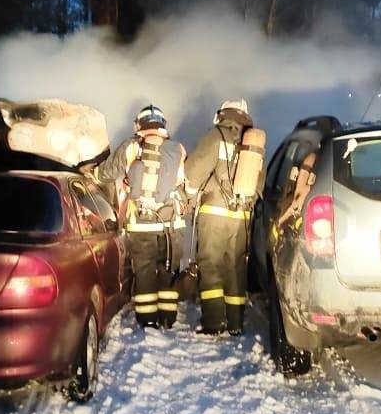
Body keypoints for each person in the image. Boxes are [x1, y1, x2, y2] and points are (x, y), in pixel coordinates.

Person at [95, 104, 188, 329]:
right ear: (163, 125)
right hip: (172, 225)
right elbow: (186, 182)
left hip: (141, 224)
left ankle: (148, 320)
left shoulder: (131, 147)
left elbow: (106, 173)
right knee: (168, 270)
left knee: (144, 271)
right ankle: (168, 317)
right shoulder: (178, 149)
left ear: (140, 124)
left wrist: (92, 173)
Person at [184, 99, 260, 336]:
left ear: (222, 115)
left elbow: (193, 170)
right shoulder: (252, 144)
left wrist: (190, 195)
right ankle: (236, 323)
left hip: (214, 214)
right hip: (242, 217)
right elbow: (260, 183)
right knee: (236, 267)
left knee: (211, 266)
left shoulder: (216, 136)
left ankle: (214, 323)